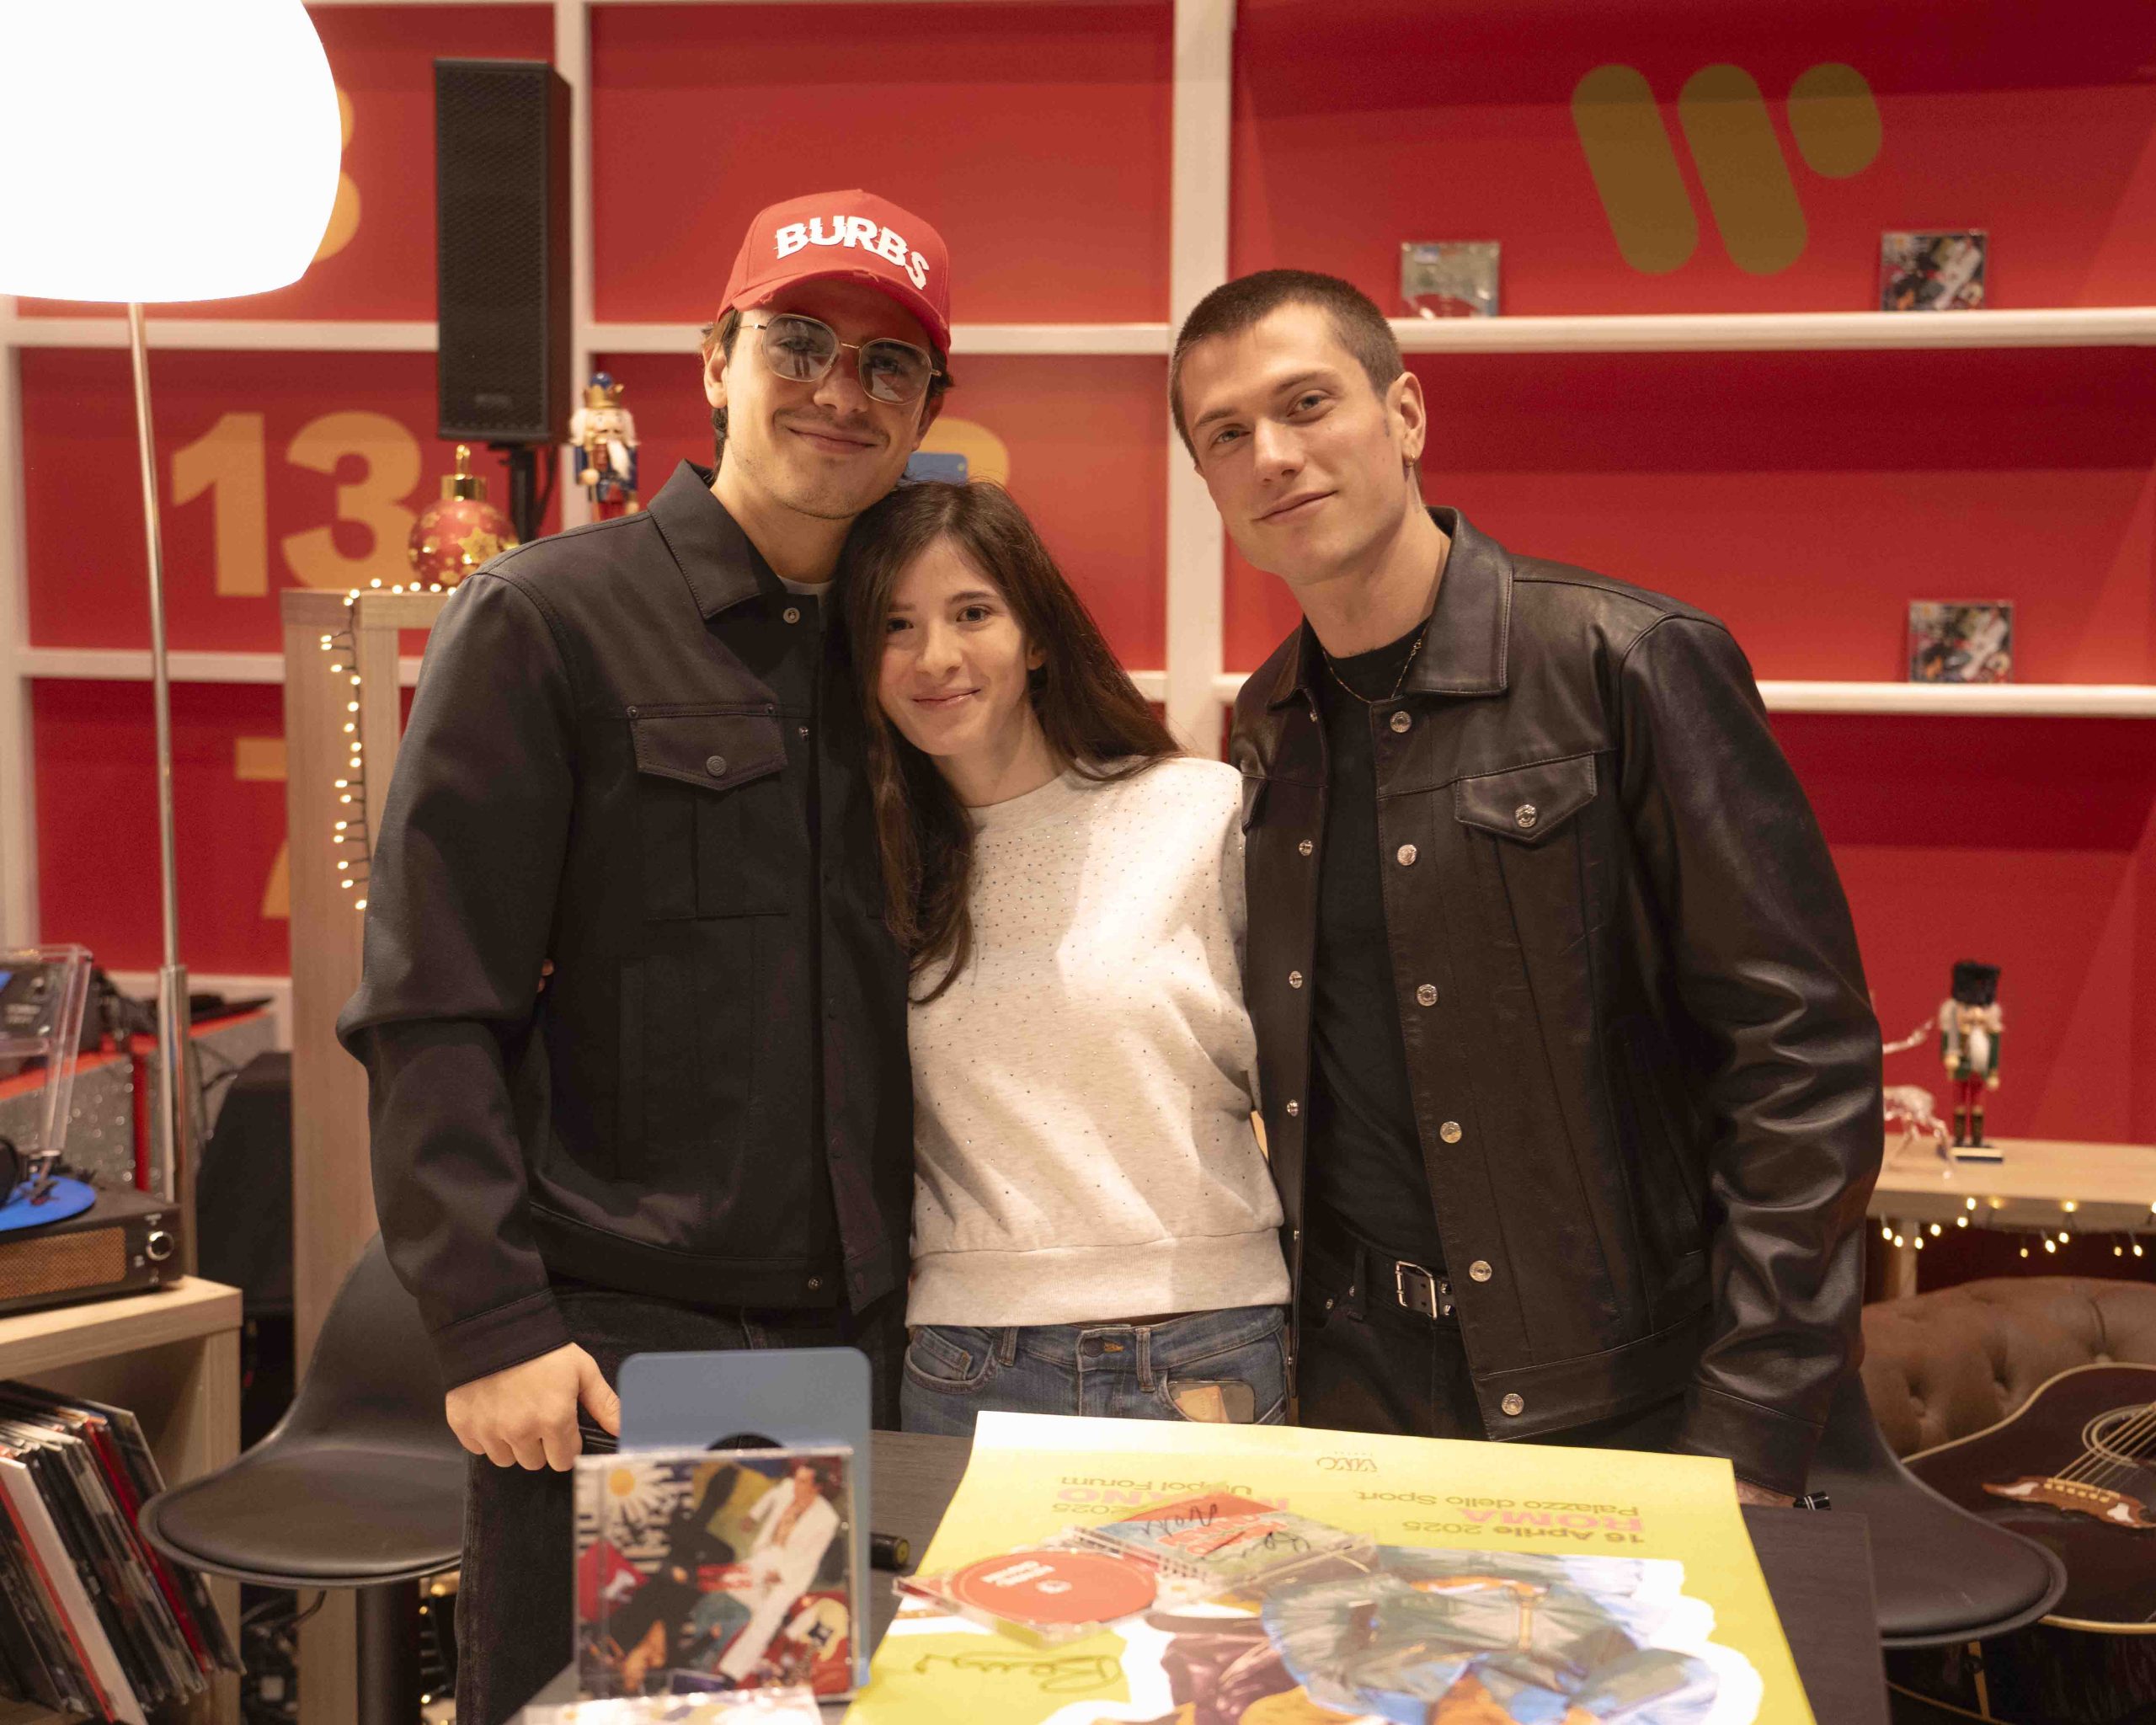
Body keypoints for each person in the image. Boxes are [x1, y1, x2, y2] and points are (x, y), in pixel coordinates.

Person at [337, 189, 954, 1725]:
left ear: (928, 411)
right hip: (644, 1353)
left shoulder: (918, 650)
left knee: (784, 1720)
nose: (840, 389)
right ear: (714, 359)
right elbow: (429, 1005)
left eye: (888, 364)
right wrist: (491, 1323)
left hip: (872, 1339)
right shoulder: (548, 620)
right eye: (799, 342)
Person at [1170, 269, 1882, 1503]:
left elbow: (1802, 1060)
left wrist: (1755, 1420)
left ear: (1405, 415)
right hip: (1355, 1391)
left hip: (1626, 1401)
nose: (1272, 455)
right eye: (1226, 434)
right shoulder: (1268, 722)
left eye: (1306, 404)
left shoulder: (1629, 660)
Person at [840, 479, 1291, 1436]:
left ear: (1037, 636)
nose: (936, 657)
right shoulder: (866, 863)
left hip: (1206, 1343)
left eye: (973, 613)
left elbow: (1307, 1088)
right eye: (895, 626)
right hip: (968, 1356)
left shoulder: (1197, 811)